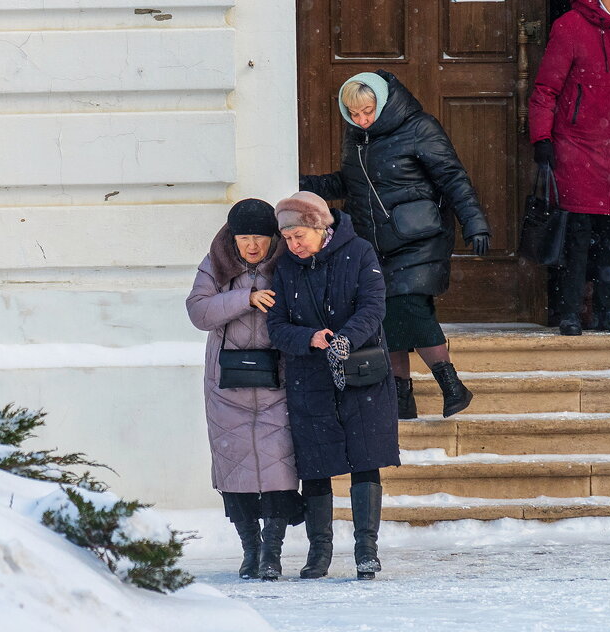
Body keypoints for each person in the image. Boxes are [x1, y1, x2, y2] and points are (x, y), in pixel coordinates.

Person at [300, 71, 490, 420]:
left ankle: (452, 386)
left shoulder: (419, 127)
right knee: (386, 316)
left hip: (419, 237)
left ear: (383, 102)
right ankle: (402, 398)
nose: (362, 119)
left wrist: (474, 222)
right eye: (354, 114)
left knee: (410, 309)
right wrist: (306, 184)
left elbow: (452, 176)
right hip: (375, 241)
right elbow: (355, 182)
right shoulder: (357, 137)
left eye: (368, 111)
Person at [265, 191, 400, 580]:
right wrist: (309, 338)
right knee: (317, 465)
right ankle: (319, 552)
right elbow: (277, 327)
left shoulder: (358, 252)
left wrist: (345, 339)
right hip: (310, 378)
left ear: (321, 228)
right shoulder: (286, 268)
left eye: (299, 236)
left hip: (362, 373)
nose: (292, 245)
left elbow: (374, 306)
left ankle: (366, 551)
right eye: (287, 238)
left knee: (365, 458)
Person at [529, 0, 610, 337]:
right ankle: (570, 312)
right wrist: (542, 137)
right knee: (578, 232)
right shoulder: (570, 27)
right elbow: (546, 88)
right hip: (578, 143)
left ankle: (609, 312)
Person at [185, 198, 302, 581]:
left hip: (278, 381)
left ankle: (272, 551)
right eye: (244, 237)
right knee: (234, 470)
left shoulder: (288, 263)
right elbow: (199, 312)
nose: (252, 246)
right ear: (232, 238)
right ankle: (249, 549)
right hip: (227, 385)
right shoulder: (215, 262)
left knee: (279, 470)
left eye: (260, 237)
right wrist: (245, 298)